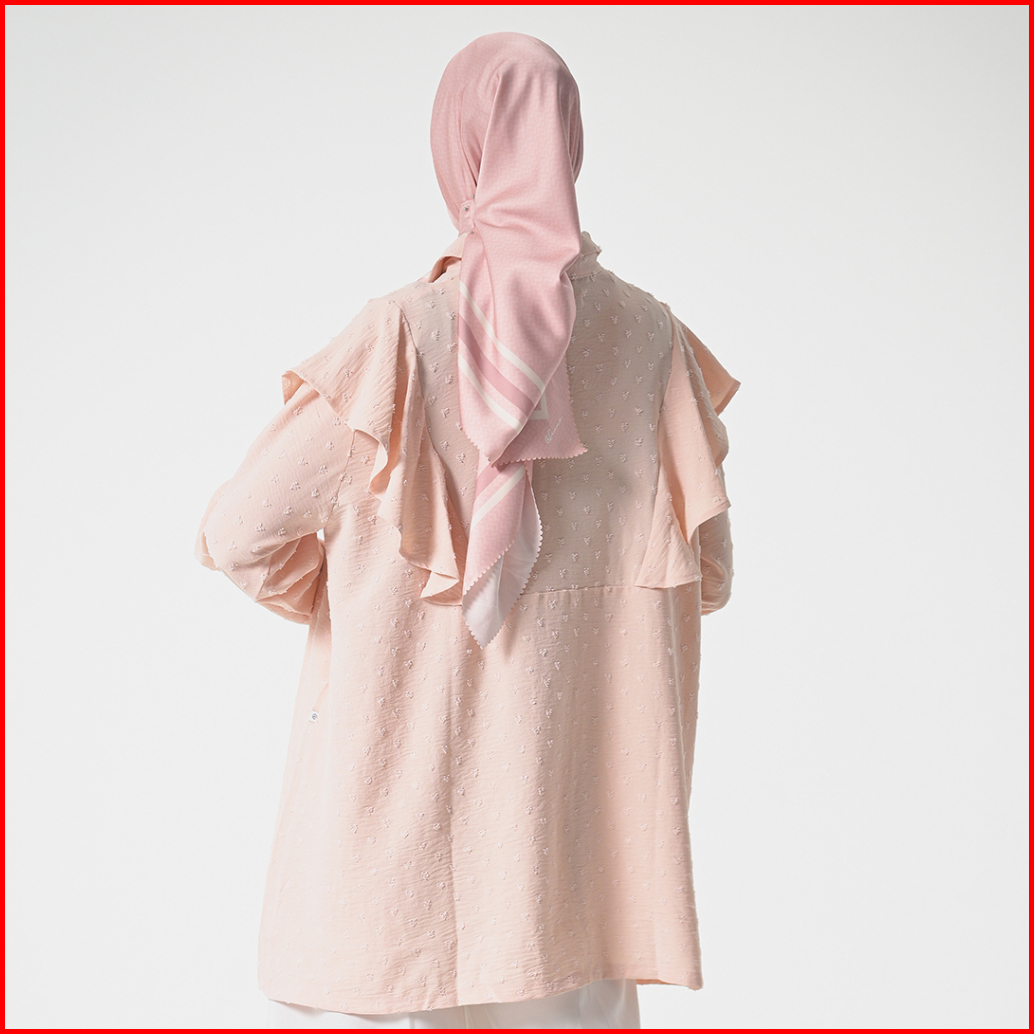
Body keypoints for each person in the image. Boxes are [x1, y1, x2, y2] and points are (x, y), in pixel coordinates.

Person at [196, 32, 739, 1030]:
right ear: (568, 143)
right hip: (581, 873)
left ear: (458, 151)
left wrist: (364, 598)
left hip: (415, 882)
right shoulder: (652, 341)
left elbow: (239, 531)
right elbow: (708, 574)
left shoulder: (402, 340)